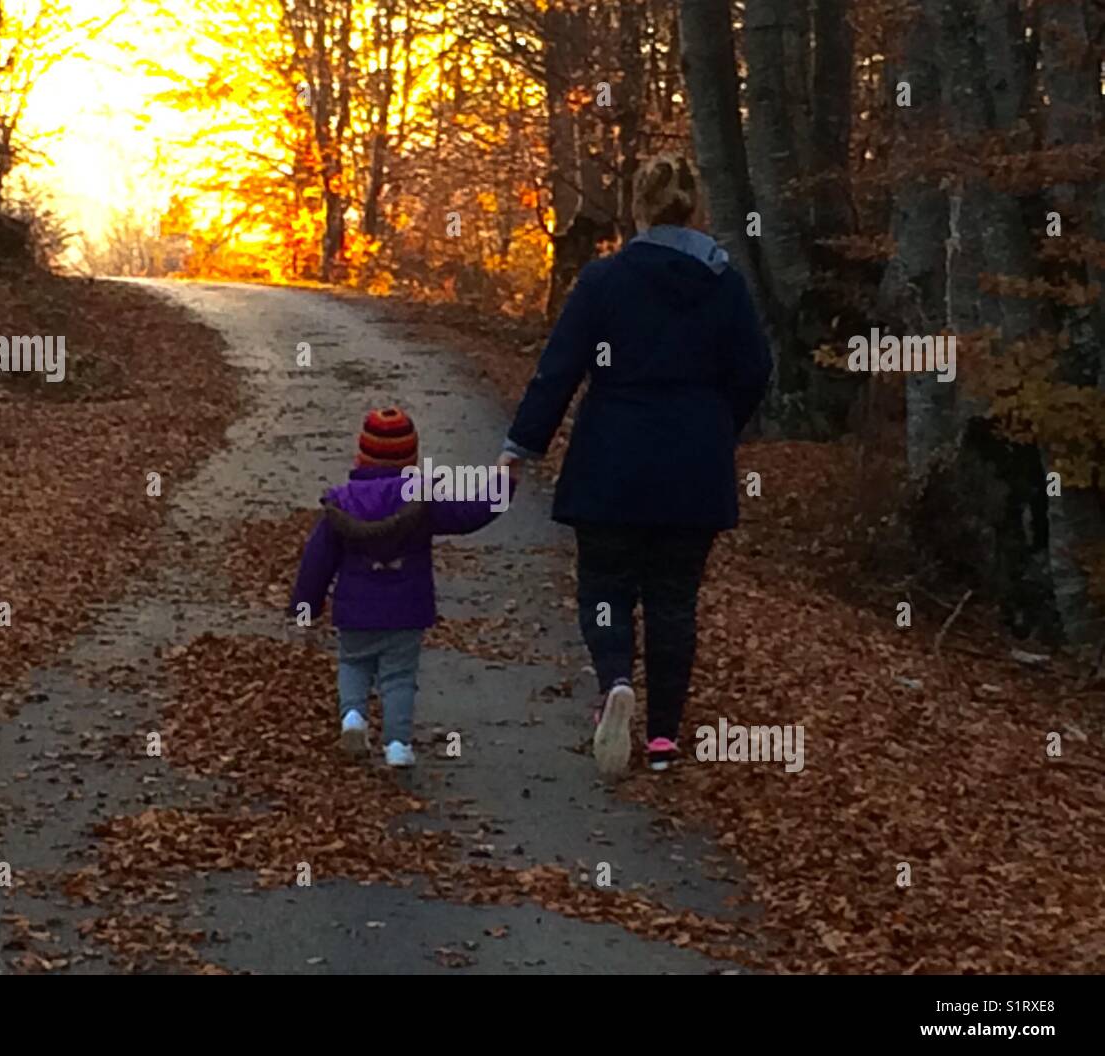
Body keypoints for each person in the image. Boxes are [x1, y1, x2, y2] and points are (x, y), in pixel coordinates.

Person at [498, 153, 773, 777]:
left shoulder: (604, 280)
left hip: (611, 459)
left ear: (639, 208)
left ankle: (616, 682)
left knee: (604, 584)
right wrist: (717, 426)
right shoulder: (725, 283)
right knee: (674, 599)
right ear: (694, 207)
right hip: (694, 465)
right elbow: (755, 370)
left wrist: (519, 448)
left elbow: (559, 369)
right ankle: (663, 740)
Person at [290, 407, 515, 767]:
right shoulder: (423, 502)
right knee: (399, 677)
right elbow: (473, 513)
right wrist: (504, 478)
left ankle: (353, 716)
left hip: (355, 610)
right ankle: (397, 745)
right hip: (406, 610)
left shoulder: (341, 505)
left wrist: (306, 604)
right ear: (411, 459)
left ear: (360, 455)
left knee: (353, 664)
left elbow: (317, 561)